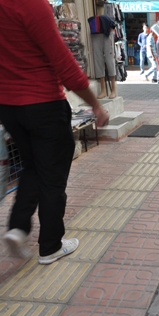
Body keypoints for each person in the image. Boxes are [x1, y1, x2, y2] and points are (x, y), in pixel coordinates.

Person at [0, 0, 109, 264]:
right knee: (53, 177)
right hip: (44, 104)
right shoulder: (32, 6)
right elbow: (64, 63)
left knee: (32, 167)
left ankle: (17, 227)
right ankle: (51, 246)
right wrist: (95, 104)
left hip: (9, 106)